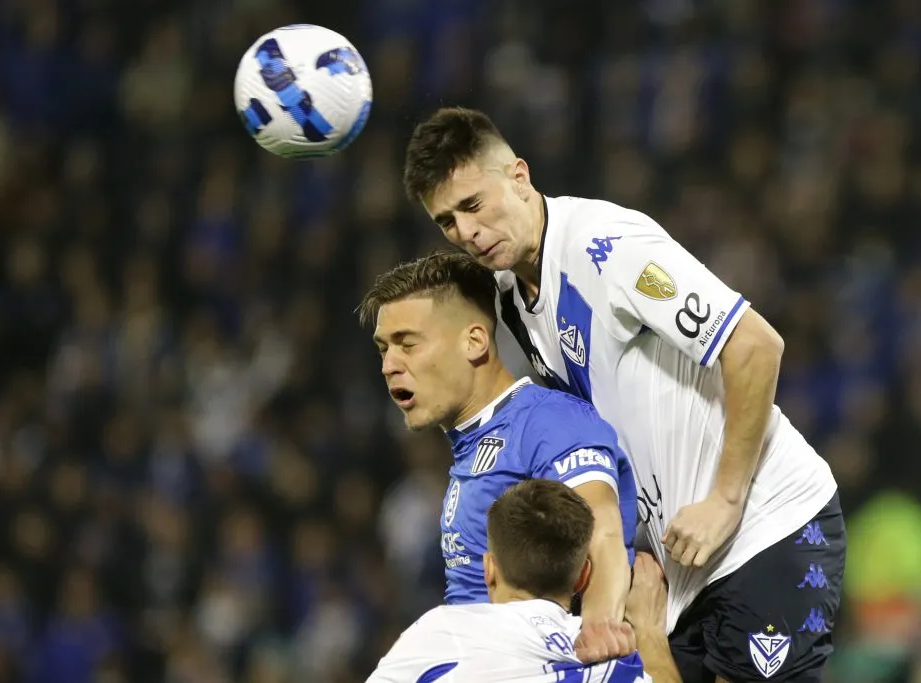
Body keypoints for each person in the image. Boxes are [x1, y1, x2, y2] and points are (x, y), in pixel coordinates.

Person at [401, 107, 846, 682]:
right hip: (680, 558)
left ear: (518, 176)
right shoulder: (512, 297)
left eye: (472, 205)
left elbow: (756, 345)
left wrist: (726, 499)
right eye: (446, 222)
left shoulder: (606, 250)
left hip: (765, 526)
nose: (466, 233)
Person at [358, 251, 638, 662]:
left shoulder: (545, 423)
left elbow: (602, 529)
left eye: (408, 344)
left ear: (474, 341)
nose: (389, 365)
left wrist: (599, 632)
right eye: (383, 348)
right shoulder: (471, 446)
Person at [367, 479, 680, 682]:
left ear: (488, 569)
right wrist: (651, 633)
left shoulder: (441, 631)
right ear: (583, 576)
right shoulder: (609, 655)